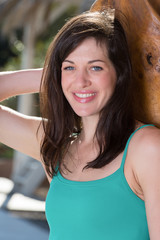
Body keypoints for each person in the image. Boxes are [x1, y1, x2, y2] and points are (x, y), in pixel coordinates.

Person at [0, 10, 160, 240]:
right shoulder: (55, 146)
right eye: (70, 67)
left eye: (96, 67)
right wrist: (57, 77)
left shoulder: (147, 148)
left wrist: (69, 72)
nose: (81, 81)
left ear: (120, 73)